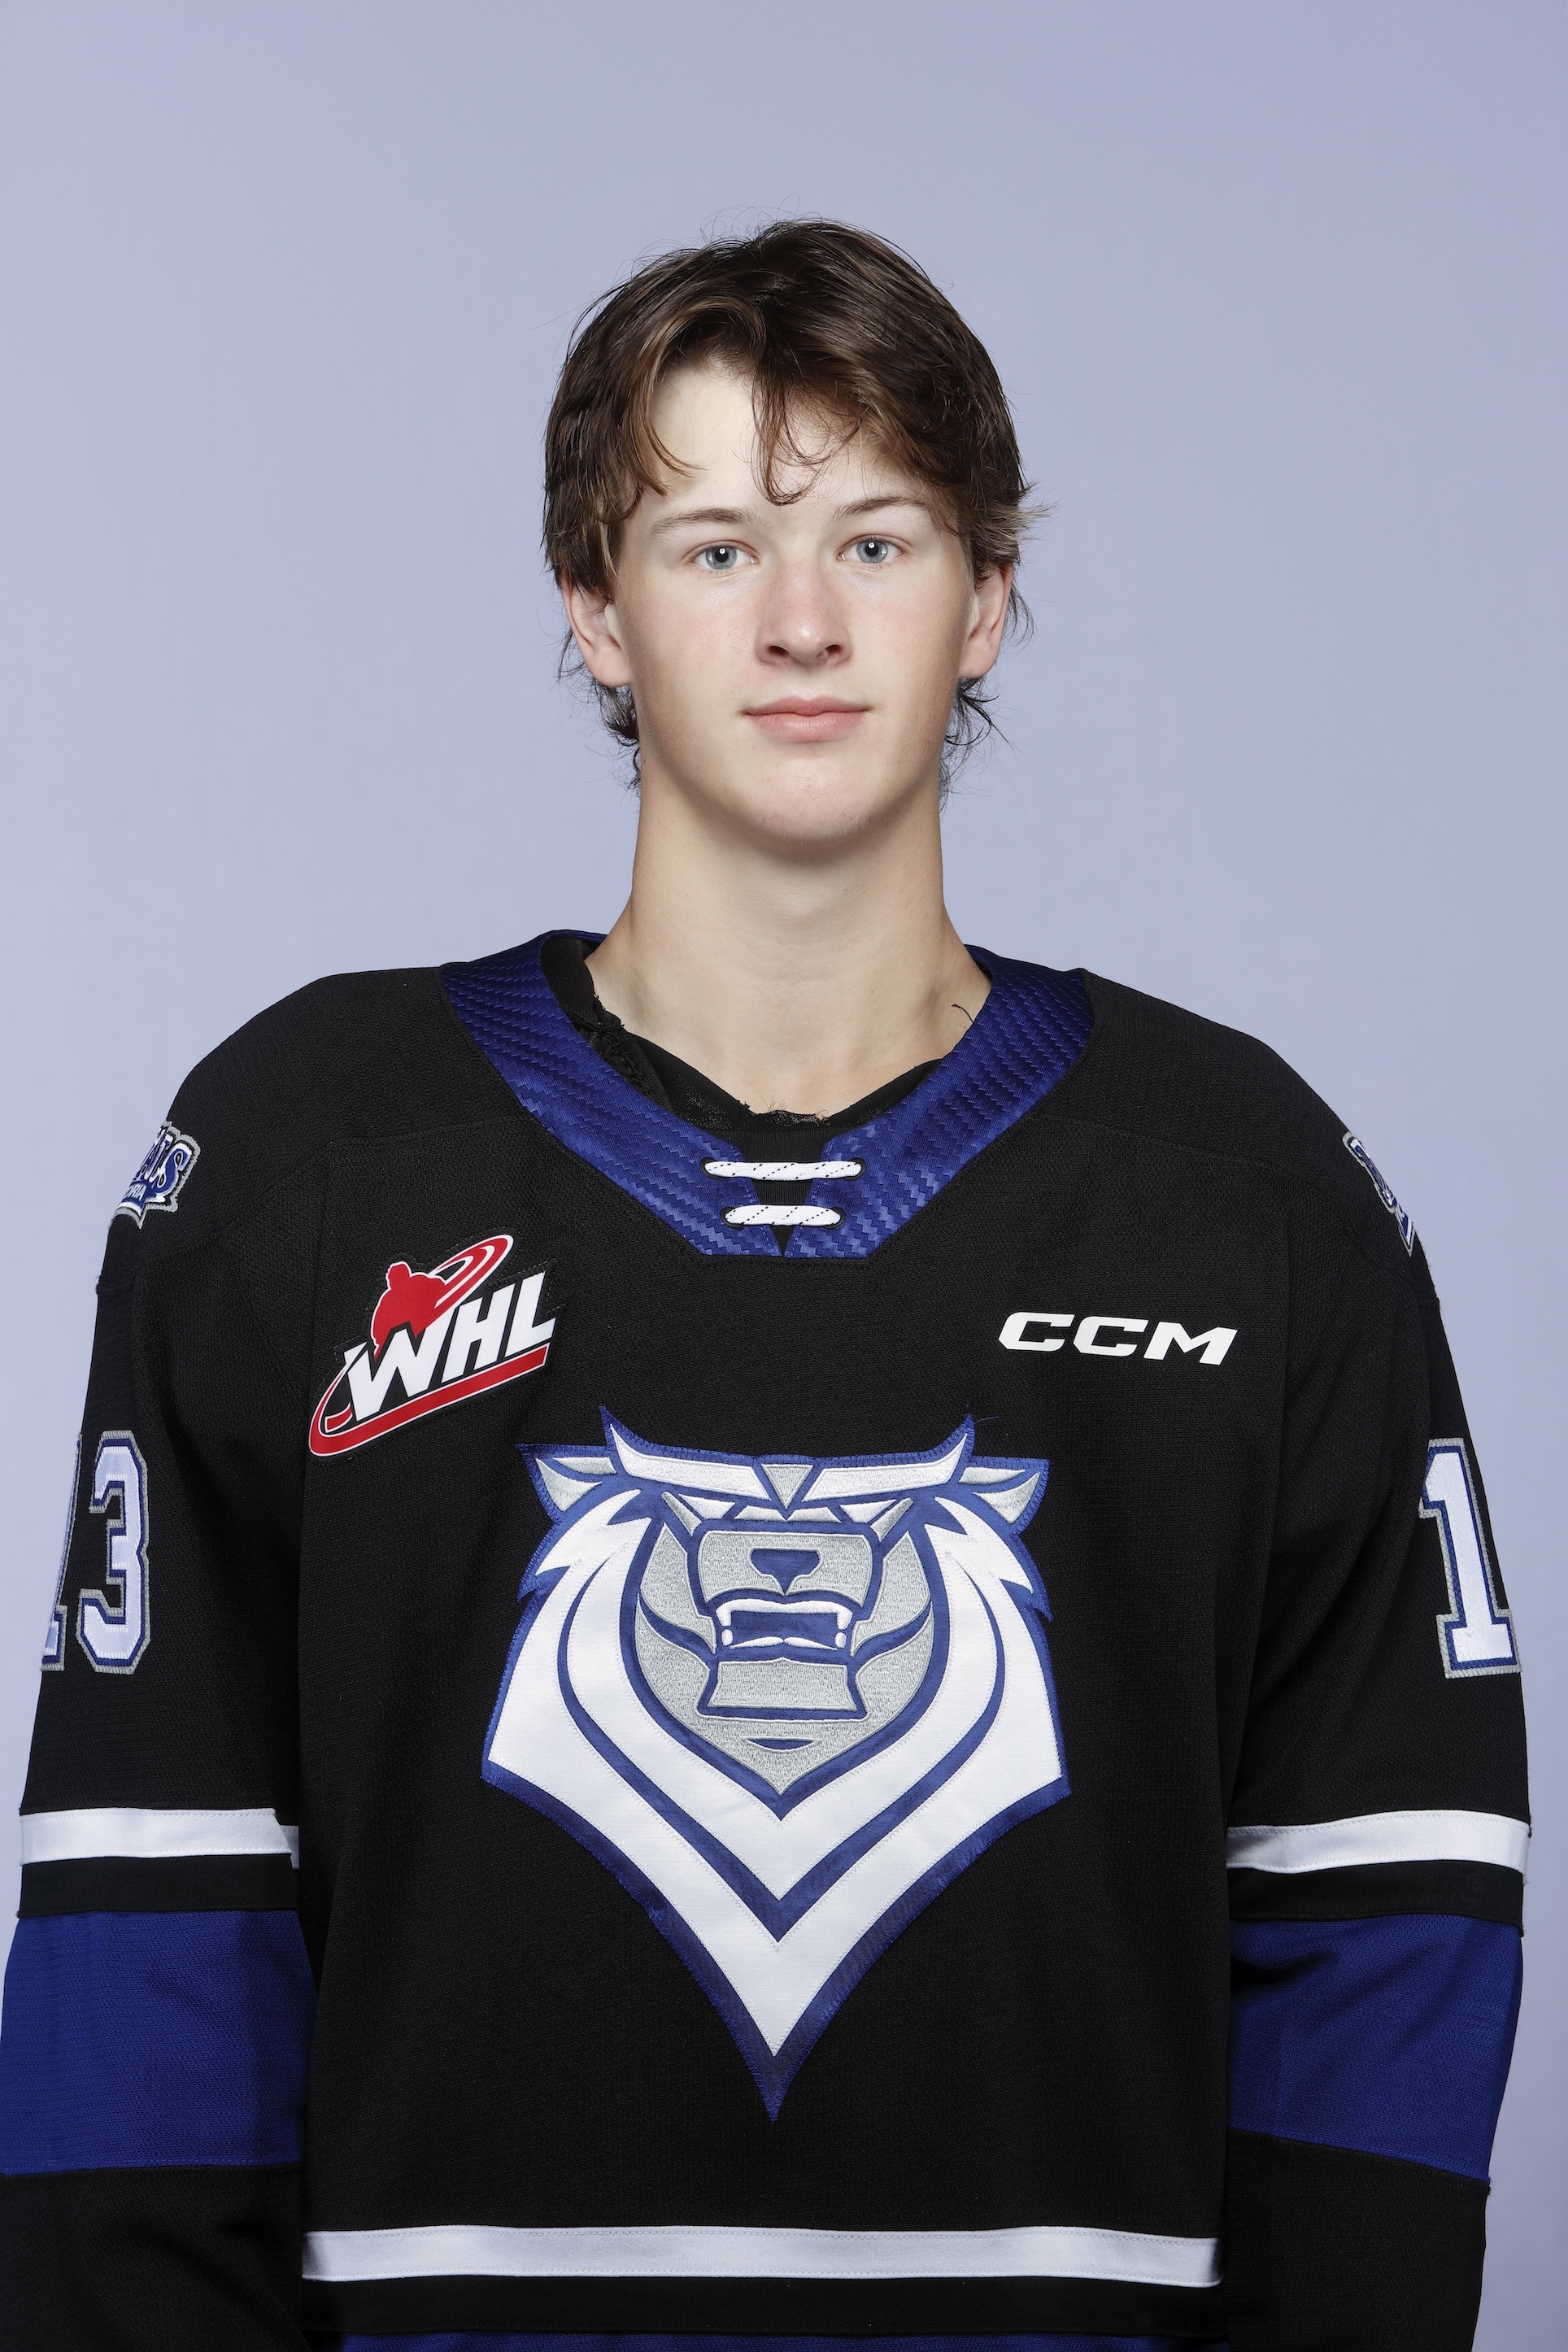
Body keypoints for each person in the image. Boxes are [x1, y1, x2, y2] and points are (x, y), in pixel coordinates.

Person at [0, 221, 1528, 2352]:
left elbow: (1382, 1927)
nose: (802, 621)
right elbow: (153, 1935)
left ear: (987, 598)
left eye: (876, 542)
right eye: (713, 547)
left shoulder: (1248, 1192)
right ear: (592, 605)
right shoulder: (299, 1160)